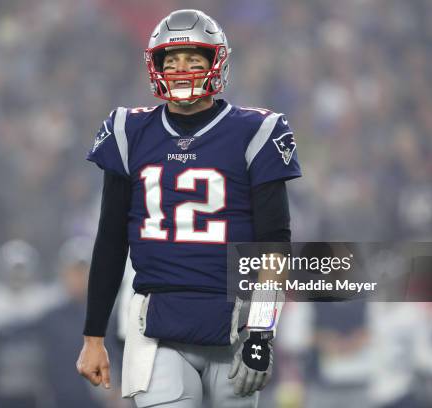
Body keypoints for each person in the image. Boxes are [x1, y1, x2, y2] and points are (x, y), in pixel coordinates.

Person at [77, 9, 301, 408]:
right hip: (156, 326)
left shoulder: (256, 131)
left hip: (234, 325)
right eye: (172, 60)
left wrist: (260, 330)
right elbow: (110, 240)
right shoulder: (129, 130)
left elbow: (274, 244)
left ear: (217, 63)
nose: (181, 70)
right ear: (155, 65)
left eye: (194, 60)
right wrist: (93, 337)